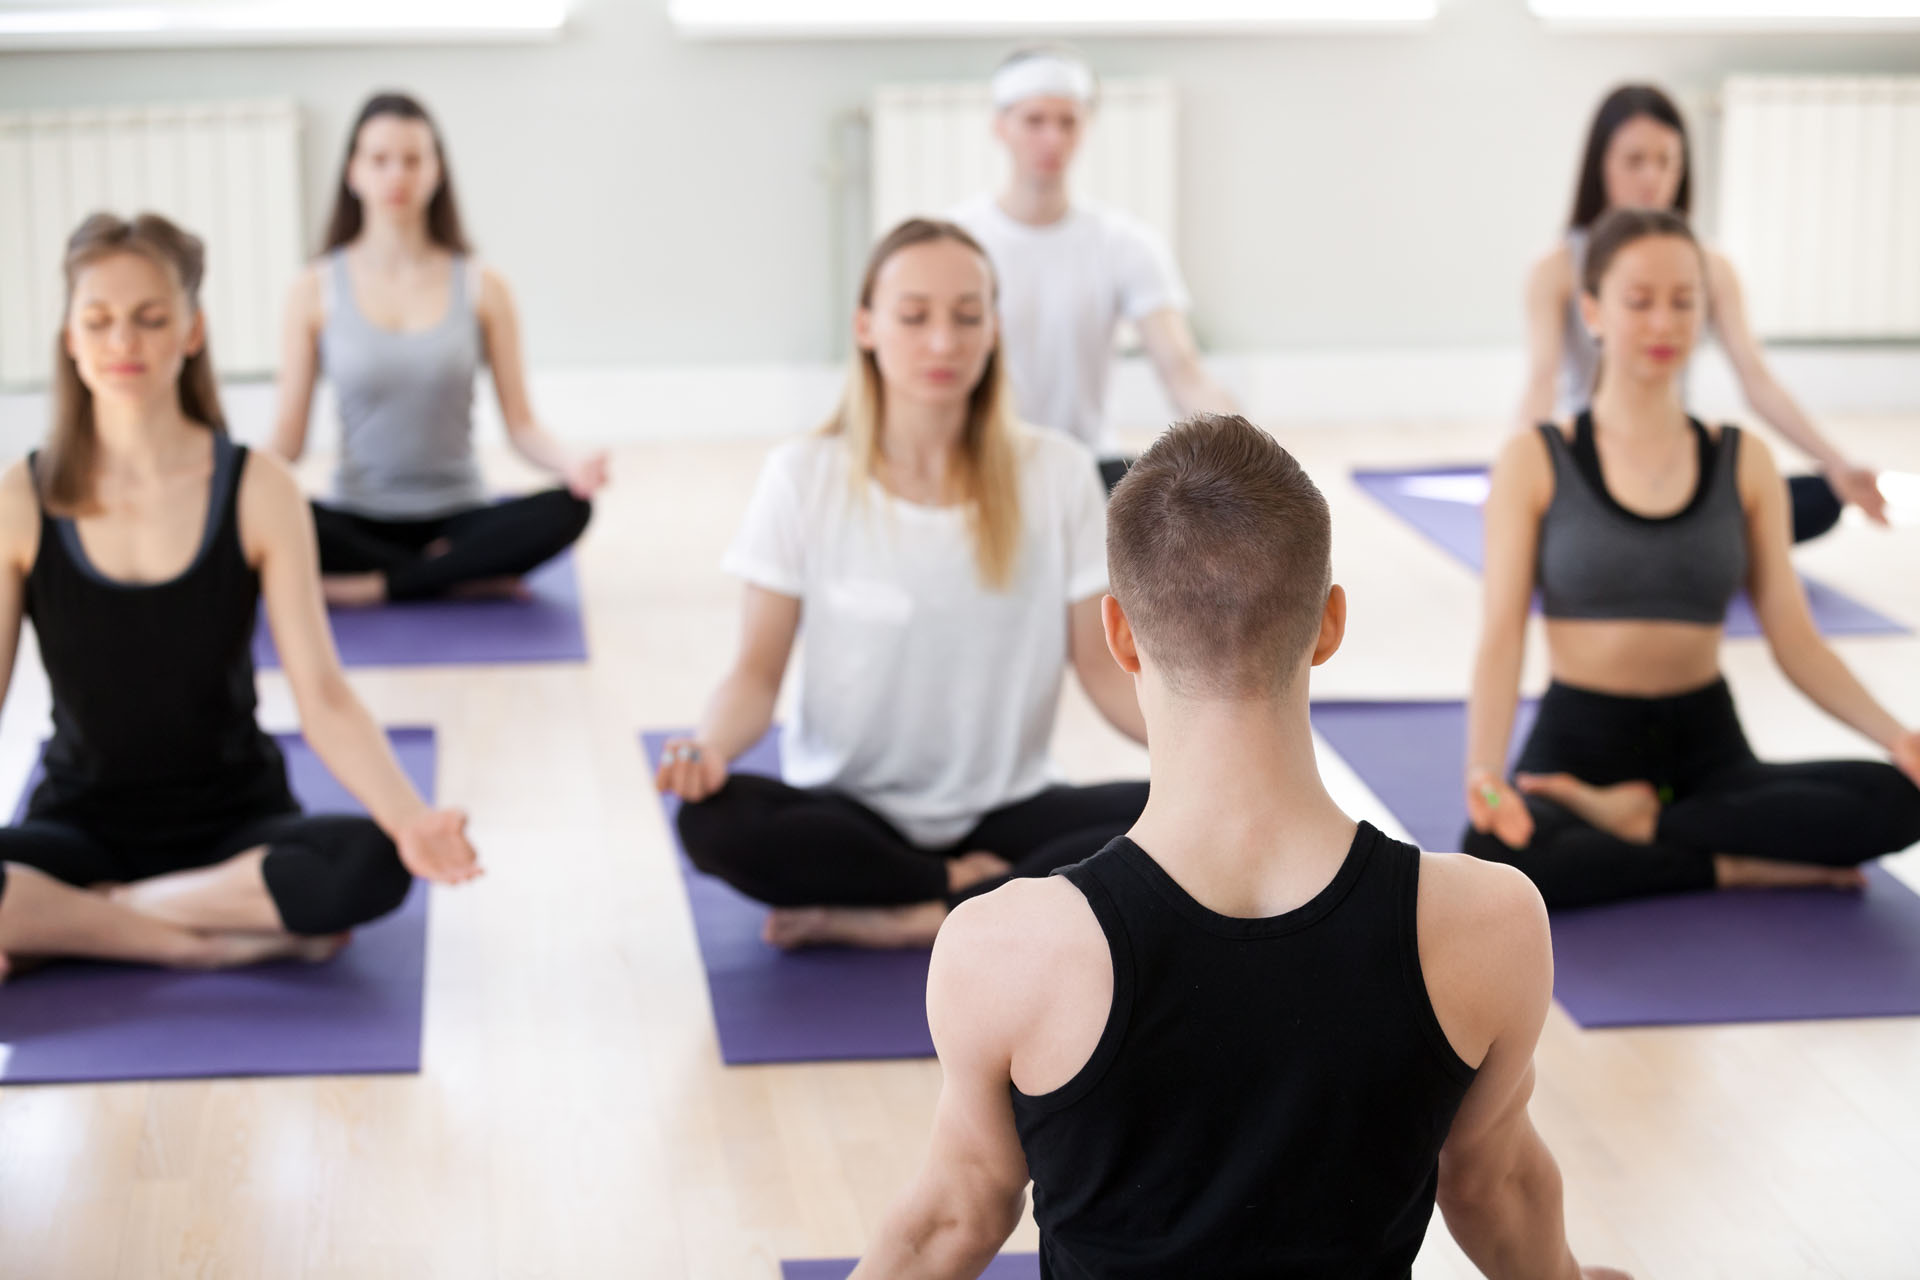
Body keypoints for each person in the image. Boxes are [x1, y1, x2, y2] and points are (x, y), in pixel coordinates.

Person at [850, 414, 1626, 1280]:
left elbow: (956, 1213)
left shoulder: (1004, 948)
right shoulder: (1490, 922)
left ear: (1119, 633)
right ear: (1329, 624)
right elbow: (1497, 1184)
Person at [0, 213, 481, 982]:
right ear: (69, 338)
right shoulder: (23, 498)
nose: (123, 341)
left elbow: (322, 695)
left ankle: (88, 919)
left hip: (235, 821)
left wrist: (409, 817)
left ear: (192, 331)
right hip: (77, 822)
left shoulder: (259, 488)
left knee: (366, 866)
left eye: (150, 319)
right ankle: (191, 939)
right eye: (98, 321)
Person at [655, 218, 1148, 951]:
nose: (943, 342)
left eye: (966, 316)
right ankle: (957, 892)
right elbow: (754, 676)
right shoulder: (804, 476)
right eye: (914, 317)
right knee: (712, 824)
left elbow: (1103, 671)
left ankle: (911, 913)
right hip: (851, 813)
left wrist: (1212, 753)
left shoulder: (1059, 472)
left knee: (1180, 817)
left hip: (1008, 808)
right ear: (865, 327)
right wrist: (707, 749)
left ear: (993, 330)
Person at [1469, 208, 1920, 909]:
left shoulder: (1745, 460)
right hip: (1580, 747)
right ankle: (1731, 865)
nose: (1663, 324)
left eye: (1685, 302)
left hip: (1707, 751)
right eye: (1640, 301)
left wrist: (1898, 736)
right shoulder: (1534, 459)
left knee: (1896, 799)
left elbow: (1795, 641)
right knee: (1495, 855)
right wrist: (1485, 773)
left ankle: (1645, 825)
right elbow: (1500, 634)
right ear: (1591, 310)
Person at [271, 91, 606, 607]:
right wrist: (226, 482)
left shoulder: (484, 287)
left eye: (412, 160)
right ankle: (452, 576)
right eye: (379, 160)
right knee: (272, 517)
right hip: (359, 519)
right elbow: (287, 441)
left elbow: (521, 425)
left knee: (570, 509)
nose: (396, 176)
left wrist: (571, 463)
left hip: (460, 514)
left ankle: (379, 586)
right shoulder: (312, 290)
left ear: (437, 171)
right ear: (353, 172)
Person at [1517, 83, 1887, 542]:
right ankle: (1672, 545)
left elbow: (1756, 377)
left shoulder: (1712, 267)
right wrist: (1518, 479)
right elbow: (1540, 379)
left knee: (1816, 495)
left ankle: (1676, 544)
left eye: (1667, 160)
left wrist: (1837, 463)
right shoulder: (1556, 269)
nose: (1652, 177)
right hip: (1593, 464)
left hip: (1675, 459)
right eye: (1635, 161)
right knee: (1581, 515)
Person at [950, 46, 1237, 491]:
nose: (1052, 138)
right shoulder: (956, 240)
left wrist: (1243, 447)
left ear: (1085, 128)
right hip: (979, 463)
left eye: (1068, 122)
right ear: (1000, 126)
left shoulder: (1126, 243)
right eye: (1035, 120)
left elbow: (1181, 368)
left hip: (1084, 465)